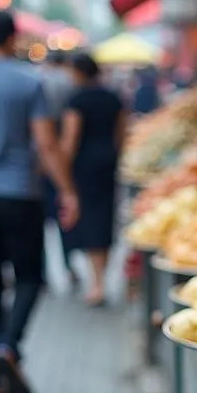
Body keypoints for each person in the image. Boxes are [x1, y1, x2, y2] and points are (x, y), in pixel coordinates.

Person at [0, 10, 79, 393]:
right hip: (19, 193)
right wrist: (67, 190)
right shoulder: (27, 82)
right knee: (30, 277)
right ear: (13, 37)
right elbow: (47, 144)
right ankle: (9, 346)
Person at [61, 52, 125, 307]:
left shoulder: (76, 100)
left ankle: (96, 283)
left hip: (84, 166)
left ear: (77, 72)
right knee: (104, 218)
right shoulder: (113, 97)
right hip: (107, 163)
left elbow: (70, 139)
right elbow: (122, 133)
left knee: (90, 221)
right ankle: (100, 280)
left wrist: (62, 169)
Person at [39, 49, 79, 289]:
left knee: (39, 223)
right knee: (65, 218)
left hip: (35, 165)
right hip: (63, 160)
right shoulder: (69, 82)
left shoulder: (35, 79)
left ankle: (40, 271)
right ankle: (69, 266)